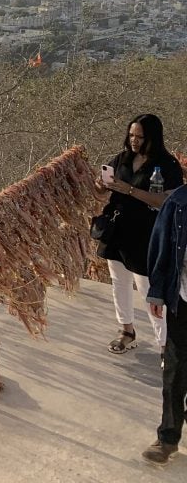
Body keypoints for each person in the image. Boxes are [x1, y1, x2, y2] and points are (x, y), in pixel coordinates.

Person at [97, 114, 183, 355]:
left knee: (149, 289)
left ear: (153, 138)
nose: (134, 141)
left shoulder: (167, 165)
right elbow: (101, 194)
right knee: (119, 282)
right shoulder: (122, 158)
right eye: (131, 135)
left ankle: (165, 344)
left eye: (140, 137)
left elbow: (168, 200)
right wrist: (100, 186)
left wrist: (131, 190)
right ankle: (126, 330)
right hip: (117, 229)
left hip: (148, 234)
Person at [143, 183, 187, 464]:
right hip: (183, 297)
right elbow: (160, 245)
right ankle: (168, 438)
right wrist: (157, 291)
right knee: (175, 369)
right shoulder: (178, 202)